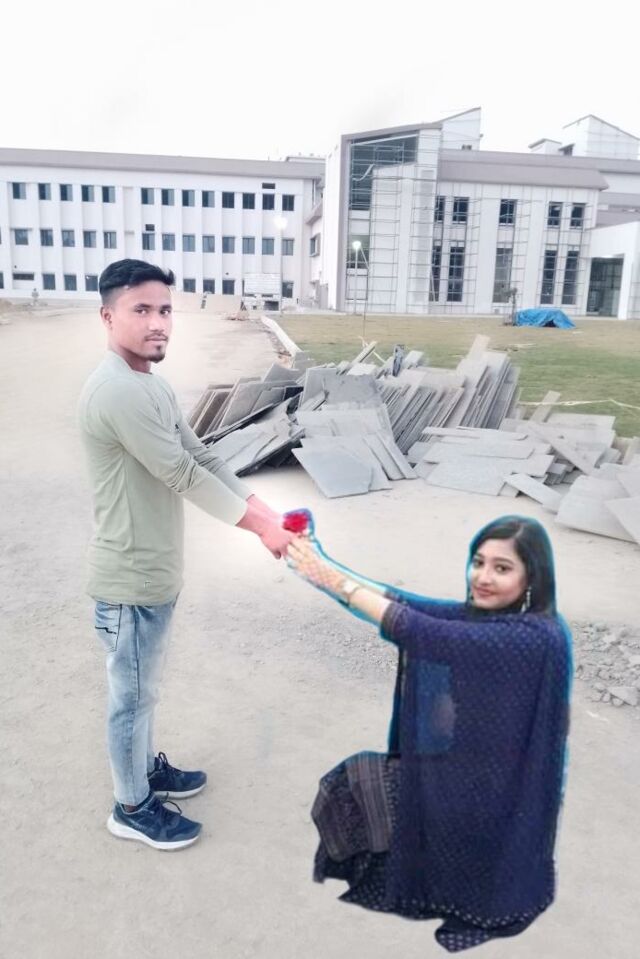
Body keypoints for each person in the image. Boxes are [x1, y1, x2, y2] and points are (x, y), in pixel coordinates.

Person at [78, 259, 294, 851]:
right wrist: (261, 530)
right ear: (108, 317)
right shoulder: (117, 390)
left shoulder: (150, 383)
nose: (158, 322)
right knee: (131, 698)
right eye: (141, 310)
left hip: (153, 571)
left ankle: (143, 771)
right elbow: (180, 473)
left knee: (143, 690)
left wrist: (266, 510)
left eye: (165, 310)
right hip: (128, 577)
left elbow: (203, 454)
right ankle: (131, 806)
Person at [286, 512, 572, 952]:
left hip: (499, 793)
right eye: (478, 562)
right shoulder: (494, 616)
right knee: (358, 785)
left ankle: (459, 881)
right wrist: (318, 565)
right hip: (465, 767)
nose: (483, 577)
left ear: (532, 577)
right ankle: (436, 866)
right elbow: (404, 604)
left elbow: (419, 629)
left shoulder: (535, 635)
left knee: (357, 784)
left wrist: (329, 577)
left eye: (502, 568)